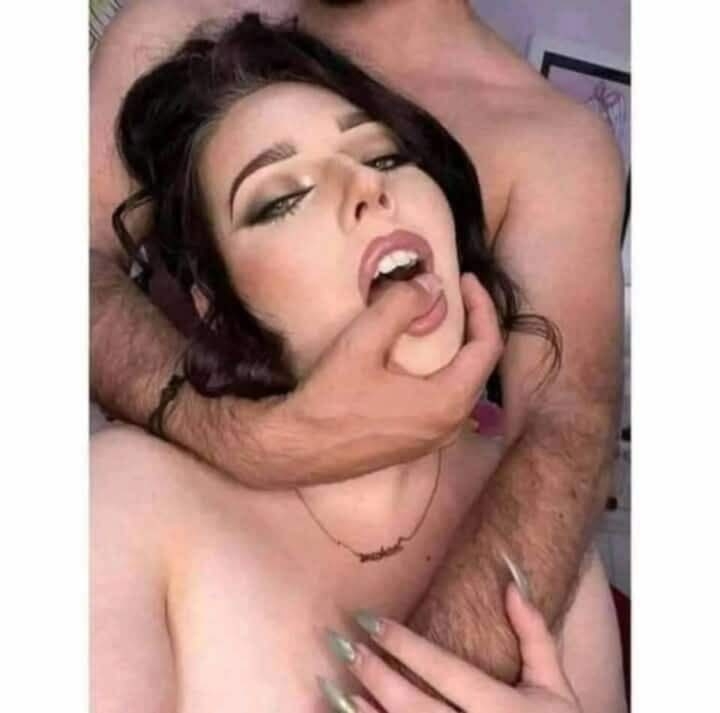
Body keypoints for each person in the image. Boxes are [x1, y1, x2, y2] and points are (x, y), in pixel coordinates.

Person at [91, 15, 625, 713]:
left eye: (386, 157)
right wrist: (249, 438)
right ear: (216, 304)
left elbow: (570, 422)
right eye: (282, 198)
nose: (368, 188)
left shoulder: (548, 535)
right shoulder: (121, 502)